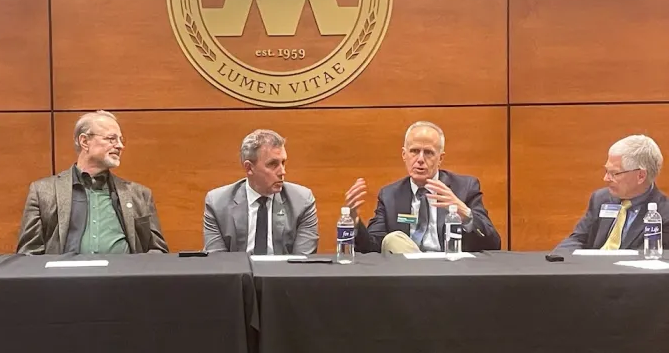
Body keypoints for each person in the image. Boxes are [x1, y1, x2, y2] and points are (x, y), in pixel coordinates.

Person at [17, 110, 168, 254]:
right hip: (65, 279)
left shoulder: (139, 195)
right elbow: (28, 254)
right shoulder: (43, 192)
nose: (120, 146)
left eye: (121, 140)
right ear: (84, 141)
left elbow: (157, 251)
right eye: (111, 139)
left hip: (122, 278)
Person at [344, 121, 500, 253]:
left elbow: (493, 244)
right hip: (408, 276)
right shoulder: (390, 195)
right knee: (393, 240)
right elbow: (373, 247)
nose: (420, 159)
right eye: (414, 151)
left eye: (428, 153)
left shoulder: (464, 188)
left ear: (440, 158)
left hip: (451, 274)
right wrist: (354, 221)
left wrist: (464, 213)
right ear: (404, 155)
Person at [204, 129, 318, 255]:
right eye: (273, 164)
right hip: (237, 273)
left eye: (283, 163)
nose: (282, 172)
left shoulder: (302, 202)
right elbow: (218, 263)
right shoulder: (217, 203)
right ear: (249, 168)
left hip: (285, 274)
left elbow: (303, 263)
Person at [556, 134, 669, 251]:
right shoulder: (600, 199)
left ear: (641, 176)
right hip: (589, 267)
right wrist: (558, 260)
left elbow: (645, 260)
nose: (606, 178)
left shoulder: (664, 215)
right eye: (606, 171)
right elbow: (578, 239)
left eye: (614, 173)